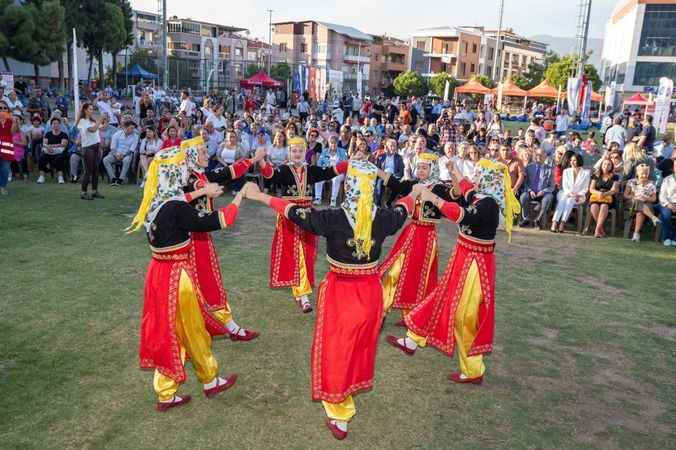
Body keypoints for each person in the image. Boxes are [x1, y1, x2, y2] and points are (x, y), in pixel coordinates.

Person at [245, 160, 410, 440]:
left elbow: (295, 214)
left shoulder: (333, 218)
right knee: (360, 346)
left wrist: (260, 196)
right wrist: (415, 194)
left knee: (337, 349)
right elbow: (403, 208)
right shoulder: (383, 218)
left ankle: (339, 411)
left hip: (342, 294)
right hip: (371, 294)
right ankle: (349, 390)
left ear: (349, 186)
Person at [127, 145, 241, 412]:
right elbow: (215, 221)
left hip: (157, 274)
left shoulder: (154, 200)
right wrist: (239, 199)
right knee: (192, 329)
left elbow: (183, 199)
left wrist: (202, 191)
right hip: (177, 277)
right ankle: (209, 380)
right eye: (179, 168)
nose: (183, 172)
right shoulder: (176, 207)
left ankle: (169, 392)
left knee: (170, 332)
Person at [386, 159, 520, 385]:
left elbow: (462, 215)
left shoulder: (490, 205)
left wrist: (433, 198)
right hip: (464, 256)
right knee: (442, 298)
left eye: (479, 173)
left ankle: (473, 370)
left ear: (489, 179)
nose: (475, 175)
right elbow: (467, 189)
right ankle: (412, 340)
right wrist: (454, 170)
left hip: (476, 264)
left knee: (464, 316)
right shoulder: (481, 196)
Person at [181, 137, 265, 340]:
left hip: (198, 237)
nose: (206, 155)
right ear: (191, 156)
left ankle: (220, 326)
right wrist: (207, 188)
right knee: (206, 283)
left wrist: (254, 159)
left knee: (198, 284)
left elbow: (229, 172)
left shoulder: (201, 174)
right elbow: (200, 186)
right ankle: (226, 328)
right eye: (201, 152)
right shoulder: (189, 179)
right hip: (193, 239)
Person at [258, 137, 348, 313]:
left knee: (307, 254)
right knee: (295, 253)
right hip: (289, 216)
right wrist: (261, 160)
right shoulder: (284, 170)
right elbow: (270, 175)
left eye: (300, 151)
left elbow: (331, 171)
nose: (297, 154)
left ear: (304, 152)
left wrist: (351, 162)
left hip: (307, 217)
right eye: (294, 151)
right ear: (289, 153)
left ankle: (300, 290)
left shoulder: (312, 170)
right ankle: (304, 295)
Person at [379, 152, 454, 323]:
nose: (420, 170)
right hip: (411, 231)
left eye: (424, 168)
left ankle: (413, 316)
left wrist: (453, 173)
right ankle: (382, 310)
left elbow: (455, 194)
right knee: (395, 270)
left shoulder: (438, 188)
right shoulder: (413, 185)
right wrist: (373, 169)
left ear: (432, 169)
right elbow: (394, 183)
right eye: (419, 167)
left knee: (420, 276)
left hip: (427, 237)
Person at [550, 153, 590, 233]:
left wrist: (578, 195)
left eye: (574, 160)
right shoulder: (566, 171)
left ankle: (562, 223)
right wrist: (570, 193)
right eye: (571, 160)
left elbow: (585, 188)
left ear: (579, 161)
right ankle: (555, 222)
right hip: (565, 193)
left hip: (580, 196)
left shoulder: (586, 173)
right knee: (564, 199)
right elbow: (565, 186)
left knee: (570, 200)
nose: (572, 162)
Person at [519, 148, 555, 228]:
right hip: (530, 192)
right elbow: (525, 183)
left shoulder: (549, 169)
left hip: (543, 194)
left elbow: (552, 186)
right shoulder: (529, 167)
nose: (538, 157)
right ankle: (526, 218)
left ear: (545, 157)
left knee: (548, 198)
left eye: (541, 155)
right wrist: (530, 190)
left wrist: (543, 191)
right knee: (523, 197)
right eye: (537, 155)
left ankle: (539, 219)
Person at [624, 164, 660, 242]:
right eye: (642, 173)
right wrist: (635, 197)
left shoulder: (652, 183)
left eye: (646, 173)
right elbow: (625, 195)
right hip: (632, 204)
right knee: (638, 202)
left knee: (640, 211)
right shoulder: (631, 182)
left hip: (647, 204)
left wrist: (645, 198)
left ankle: (636, 234)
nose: (644, 175)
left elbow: (654, 199)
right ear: (637, 173)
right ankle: (653, 217)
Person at [76, 103, 104, 200]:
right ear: (85, 110)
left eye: (92, 109)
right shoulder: (82, 121)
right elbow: (92, 130)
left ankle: (94, 191)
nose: (92, 111)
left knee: (96, 170)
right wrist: (100, 119)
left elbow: (100, 128)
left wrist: (106, 120)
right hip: (88, 147)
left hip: (96, 147)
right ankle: (83, 192)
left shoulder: (92, 120)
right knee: (88, 171)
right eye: (90, 109)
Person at [588, 159, 620, 238]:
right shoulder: (596, 175)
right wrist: (599, 193)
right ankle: (601, 230)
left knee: (604, 206)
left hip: (608, 197)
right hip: (596, 196)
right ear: (601, 165)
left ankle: (597, 230)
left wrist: (605, 194)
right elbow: (591, 189)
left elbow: (614, 190)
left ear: (611, 167)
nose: (606, 166)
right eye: (604, 164)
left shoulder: (615, 176)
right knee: (594, 207)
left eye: (609, 165)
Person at [314, 134, 348, 207]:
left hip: (339, 172)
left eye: (335, 142)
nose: (333, 144)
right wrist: (325, 167)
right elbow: (319, 163)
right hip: (327, 171)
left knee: (335, 179)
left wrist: (336, 167)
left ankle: (333, 199)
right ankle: (318, 198)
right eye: (331, 143)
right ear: (329, 143)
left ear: (337, 143)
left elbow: (345, 163)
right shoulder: (325, 151)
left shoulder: (342, 151)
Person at [103, 120, 138, 185]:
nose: (133, 130)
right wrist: (116, 155)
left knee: (126, 160)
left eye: (133, 128)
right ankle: (113, 178)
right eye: (131, 128)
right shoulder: (117, 134)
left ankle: (121, 179)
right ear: (126, 127)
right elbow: (113, 147)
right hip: (115, 153)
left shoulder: (135, 136)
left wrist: (123, 155)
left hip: (127, 154)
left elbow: (131, 150)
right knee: (105, 160)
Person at [38, 117, 69, 185]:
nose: (55, 125)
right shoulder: (48, 134)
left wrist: (52, 146)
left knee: (59, 158)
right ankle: (41, 176)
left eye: (57, 123)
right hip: (49, 151)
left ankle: (60, 177)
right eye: (54, 123)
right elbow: (44, 144)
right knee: (42, 157)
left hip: (60, 152)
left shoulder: (64, 134)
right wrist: (48, 147)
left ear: (60, 125)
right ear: (51, 125)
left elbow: (63, 144)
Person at [374, 137, 404, 206]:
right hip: (383, 176)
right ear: (386, 147)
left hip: (393, 177)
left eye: (395, 146)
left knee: (398, 186)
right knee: (380, 182)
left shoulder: (398, 157)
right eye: (391, 146)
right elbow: (377, 169)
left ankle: (389, 202)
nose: (393, 148)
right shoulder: (381, 157)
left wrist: (393, 176)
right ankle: (377, 204)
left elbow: (401, 171)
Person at [657, 165, 676, 246]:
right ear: (674, 168)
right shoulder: (667, 179)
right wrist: (668, 204)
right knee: (666, 214)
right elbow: (662, 196)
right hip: (665, 203)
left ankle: (675, 238)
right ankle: (667, 238)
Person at [0, 100, 14, 195]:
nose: (3, 109)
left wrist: (14, 121)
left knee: (5, 169)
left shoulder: (11, 120)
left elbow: (13, 132)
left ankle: (2, 187)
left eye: (5, 108)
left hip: (7, 148)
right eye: (0, 108)